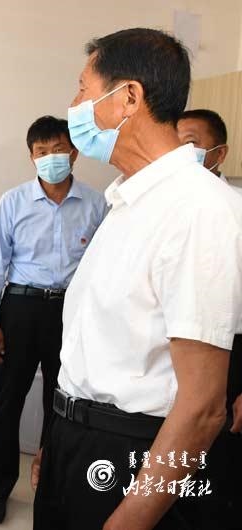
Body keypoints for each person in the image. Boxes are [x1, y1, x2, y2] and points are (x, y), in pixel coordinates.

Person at [32, 28, 242, 530]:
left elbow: (202, 408)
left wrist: (130, 519)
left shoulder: (198, 209)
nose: (74, 106)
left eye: (82, 89)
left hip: (135, 455)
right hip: (76, 441)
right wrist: (58, 439)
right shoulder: (127, 200)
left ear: (128, 97)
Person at [0, 116, 106, 524]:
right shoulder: (13, 201)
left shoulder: (96, 204)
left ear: (74, 152)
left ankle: (50, 482)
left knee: (61, 401)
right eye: (42, 151)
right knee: (7, 401)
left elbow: (102, 268)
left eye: (58, 149)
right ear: (31, 157)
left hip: (70, 311)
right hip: (21, 308)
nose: (51, 158)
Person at [178, 108, 242, 525]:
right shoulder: (163, 207)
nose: (181, 154)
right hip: (175, 360)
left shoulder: (235, 212)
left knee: (216, 473)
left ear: (219, 153)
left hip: (229, 354)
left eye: (191, 144)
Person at [177, 109, 241, 193]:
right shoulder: (163, 195)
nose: (179, 150)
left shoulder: (237, 199)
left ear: (220, 153)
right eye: (175, 142)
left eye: (190, 142)